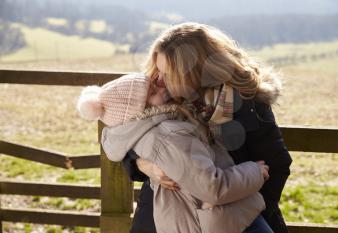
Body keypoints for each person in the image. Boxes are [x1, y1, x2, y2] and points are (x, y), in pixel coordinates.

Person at [123, 22, 292, 233]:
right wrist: (144, 165)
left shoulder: (246, 103)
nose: (160, 80)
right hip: (163, 218)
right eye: (159, 70)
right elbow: (125, 139)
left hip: (232, 222)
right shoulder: (160, 100)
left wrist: (238, 211)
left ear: (193, 71)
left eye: (169, 73)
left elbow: (277, 165)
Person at [77, 73, 273, 233]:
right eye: (153, 91)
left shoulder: (144, 130)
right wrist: (255, 171)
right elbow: (213, 186)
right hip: (214, 219)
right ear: (140, 110)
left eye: (154, 84)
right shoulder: (168, 136)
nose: (163, 87)